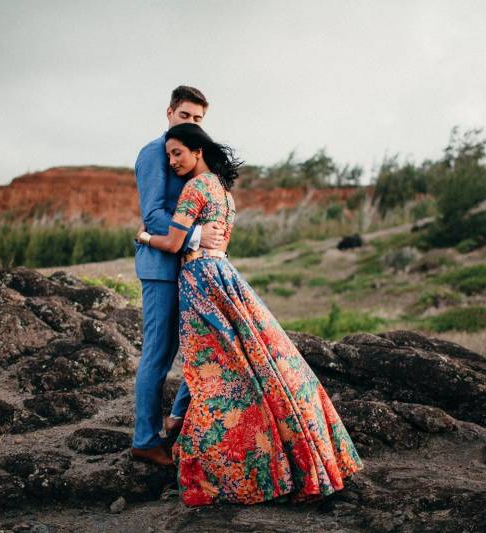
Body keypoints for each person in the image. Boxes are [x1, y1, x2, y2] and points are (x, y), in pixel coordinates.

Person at [135, 123, 364, 506]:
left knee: (212, 369)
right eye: (169, 155)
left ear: (198, 151)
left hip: (199, 280)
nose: (172, 161)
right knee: (248, 361)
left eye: (177, 153)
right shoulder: (225, 192)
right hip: (224, 274)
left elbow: (174, 242)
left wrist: (143, 236)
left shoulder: (195, 188)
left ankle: (221, 457)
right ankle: (279, 452)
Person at [131, 86, 226, 467]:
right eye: (185, 116)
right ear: (169, 113)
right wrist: (199, 235)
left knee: (201, 346)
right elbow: (152, 214)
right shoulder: (155, 153)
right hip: (160, 268)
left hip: (193, 268)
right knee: (158, 352)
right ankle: (145, 440)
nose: (191, 124)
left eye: (198, 120)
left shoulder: (196, 160)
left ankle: (178, 422)